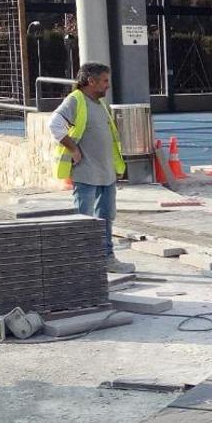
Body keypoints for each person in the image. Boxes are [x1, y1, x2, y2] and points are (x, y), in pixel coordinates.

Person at [48, 62, 133, 274]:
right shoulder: (76, 100)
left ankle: (106, 258)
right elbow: (54, 125)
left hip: (106, 174)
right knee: (82, 218)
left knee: (105, 218)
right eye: (104, 81)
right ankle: (80, 262)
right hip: (86, 172)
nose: (108, 86)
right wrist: (73, 149)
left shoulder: (99, 104)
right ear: (90, 81)